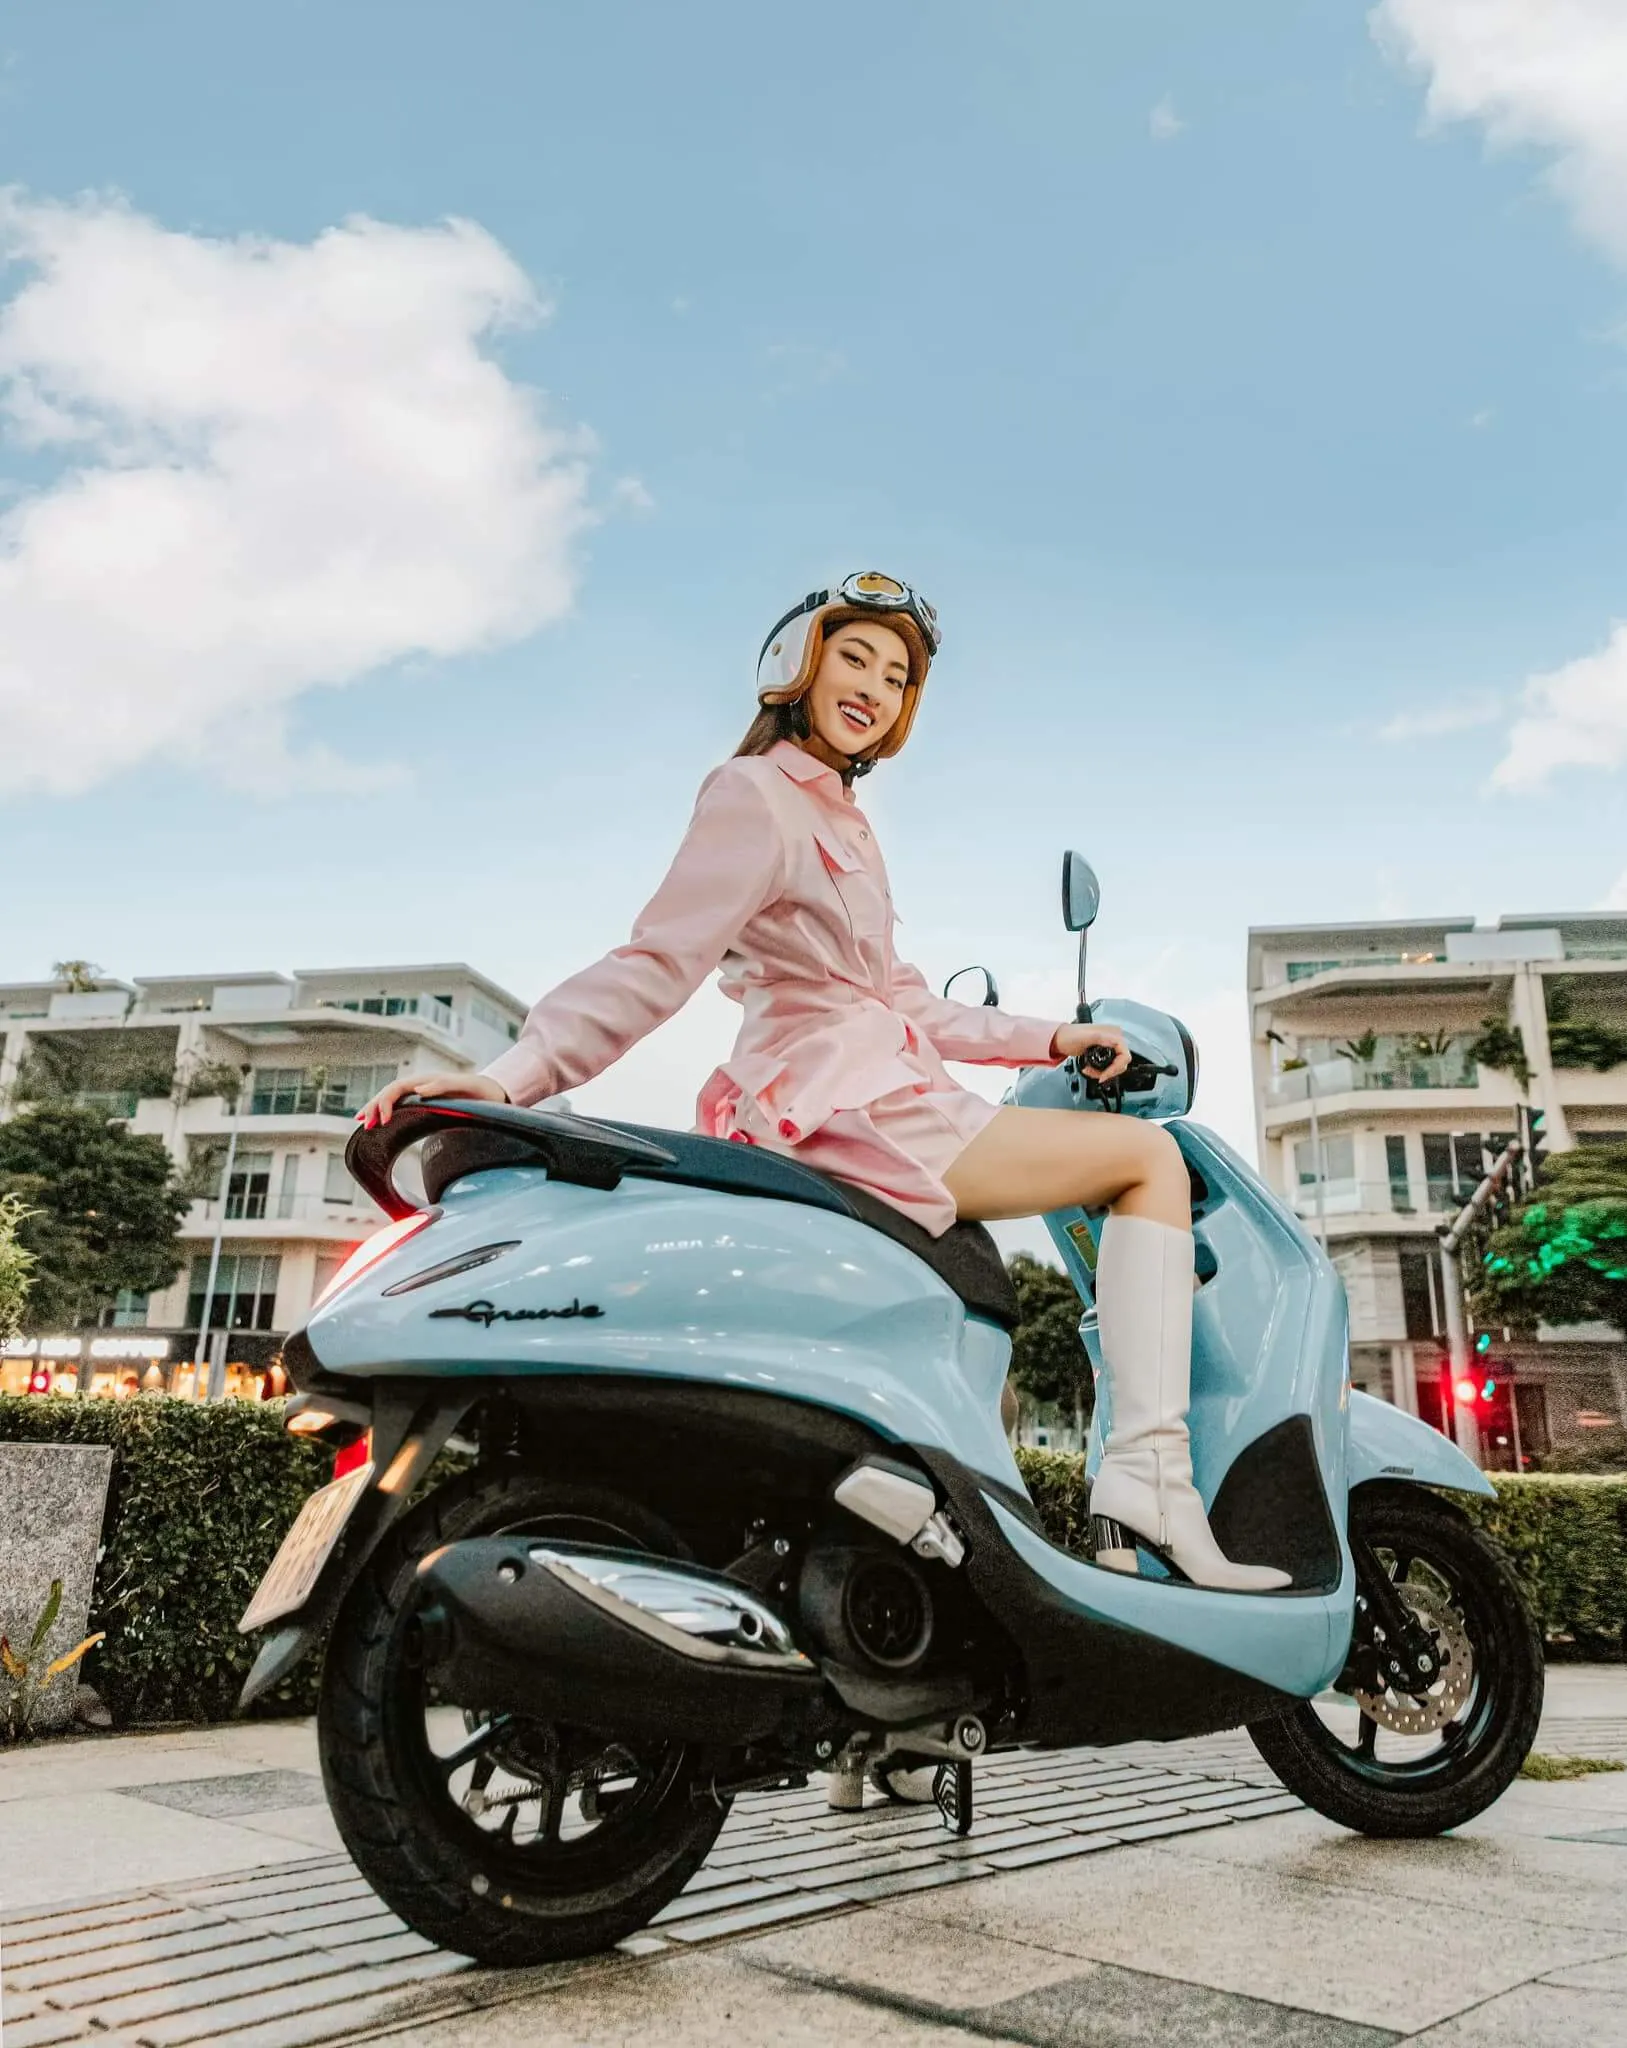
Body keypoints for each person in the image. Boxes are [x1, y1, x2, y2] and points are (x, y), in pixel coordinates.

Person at [360, 572, 1287, 1596]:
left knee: (977, 1330)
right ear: (796, 664)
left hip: (874, 1093)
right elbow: (657, 960)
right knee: (1149, 1160)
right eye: (854, 657)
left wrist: (1055, 1037)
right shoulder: (754, 793)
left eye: (895, 677)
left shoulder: (842, 823)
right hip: (854, 1106)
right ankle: (1151, 1482)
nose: (874, 687)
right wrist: (513, 1075)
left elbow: (905, 1000)